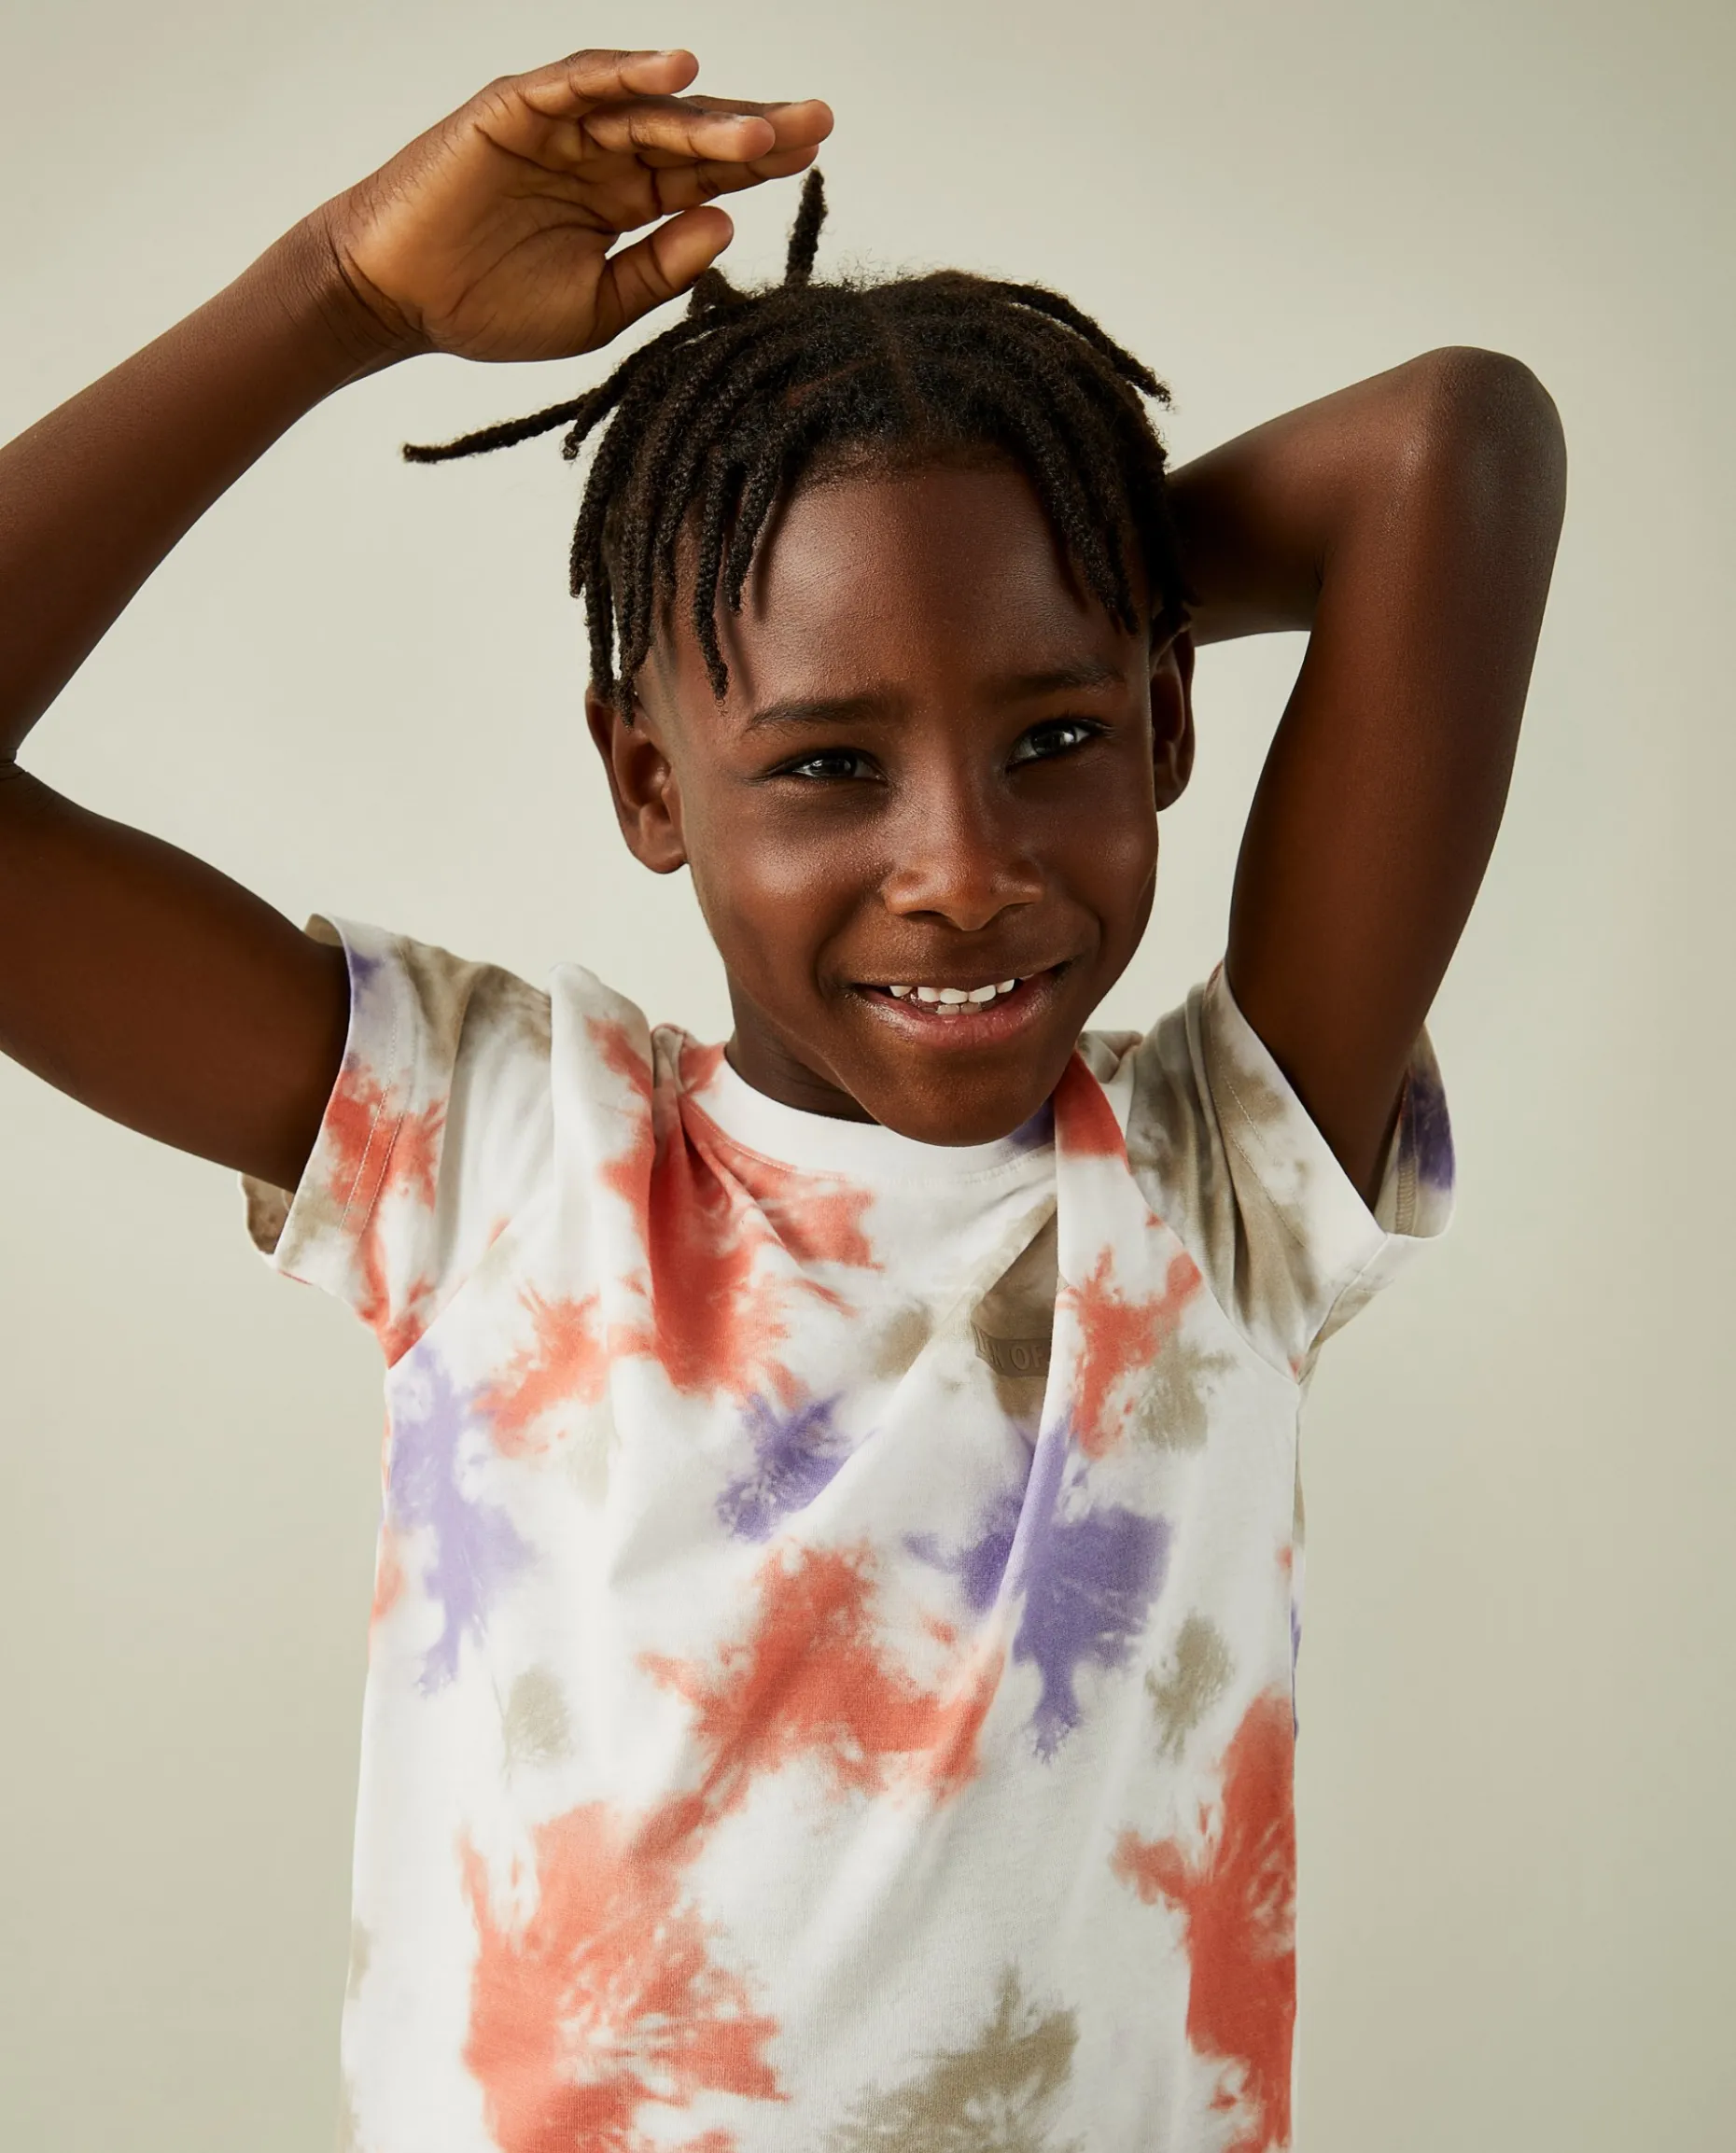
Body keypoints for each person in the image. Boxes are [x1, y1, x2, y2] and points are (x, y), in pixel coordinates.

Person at [0, 42, 1564, 2153]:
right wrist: (335, 297)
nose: (964, 865)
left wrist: (1064, 552)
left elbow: (1456, 451)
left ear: (1170, 717)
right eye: (830, 760)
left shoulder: (1219, 1184)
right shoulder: (492, 1152)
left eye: (1055, 736)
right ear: (652, 775)